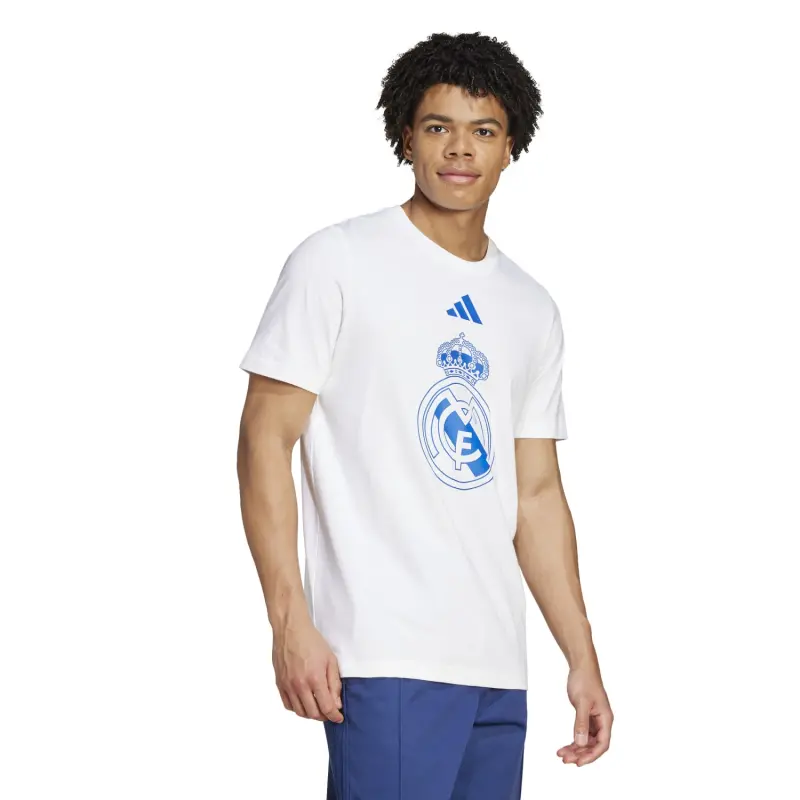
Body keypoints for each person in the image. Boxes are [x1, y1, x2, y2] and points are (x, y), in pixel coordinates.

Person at [237, 31, 613, 799]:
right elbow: (264, 441)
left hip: (496, 668)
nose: (460, 149)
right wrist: (289, 620)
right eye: (439, 126)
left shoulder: (531, 307)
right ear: (406, 135)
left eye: (484, 131)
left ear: (511, 147)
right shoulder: (338, 261)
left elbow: (537, 494)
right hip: (384, 653)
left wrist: (581, 656)